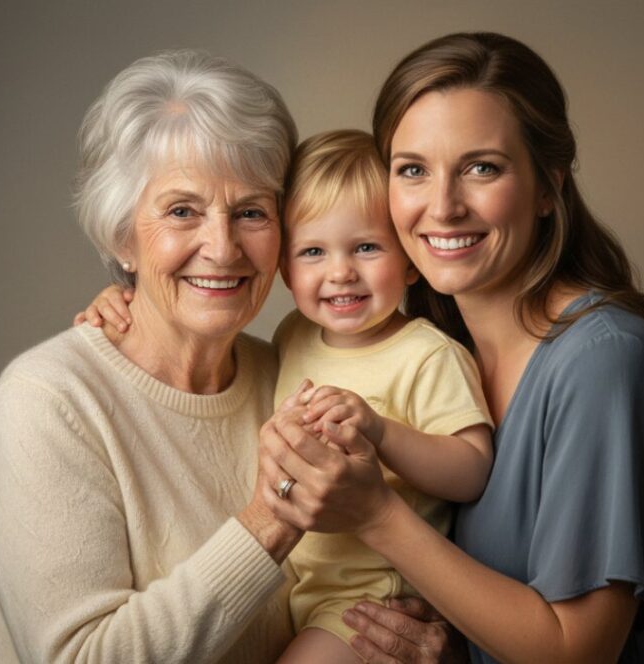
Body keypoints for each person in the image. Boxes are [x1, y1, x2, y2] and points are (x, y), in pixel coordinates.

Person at [256, 32, 644, 664]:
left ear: (549, 186)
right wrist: (128, 305)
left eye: (481, 168)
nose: (442, 206)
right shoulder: (441, 343)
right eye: (413, 169)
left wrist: (377, 513)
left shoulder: (604, 362)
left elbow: (574, 653)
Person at [80, 129, 494, 663]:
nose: (340, 271)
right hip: (301, 595)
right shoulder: (294, 336)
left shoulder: (426, 355)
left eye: (367, 247)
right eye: (313, 251)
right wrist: (125, 301)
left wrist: (382, 431)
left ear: (411, 259)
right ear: (284, 268)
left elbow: (472, 471)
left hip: (371, 602)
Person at [0, 49, 305, 663]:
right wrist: (272, 520)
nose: (222, 246)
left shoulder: (292, 374)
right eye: (183, 210)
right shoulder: (49, 400)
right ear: (122, 235)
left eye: (251, 211)